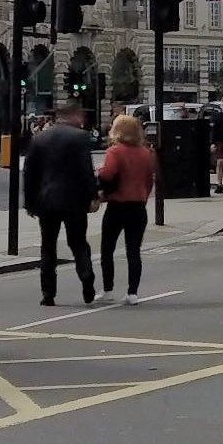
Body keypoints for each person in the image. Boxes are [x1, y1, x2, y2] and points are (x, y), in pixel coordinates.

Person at [23, 99, 99, 307]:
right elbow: (86, 170)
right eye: (81, 116)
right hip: (74, 201)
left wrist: (29, 202)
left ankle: (48, 293)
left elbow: (29, 173)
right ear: (74, 115)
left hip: (46, 201)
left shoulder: (41, 138)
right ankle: (86, 276)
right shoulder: (80, 138)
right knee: (78, 242)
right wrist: (94, 196)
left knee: (48, 247)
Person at [96, 113, 160, 304]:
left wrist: (98, 171)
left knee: (107, 249)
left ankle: (108, 289)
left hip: (117, 205)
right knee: (134, 250)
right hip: (138, 207)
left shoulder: (115, 151)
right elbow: (150, 181)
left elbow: (107, 175)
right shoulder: (146, 153)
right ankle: (133, 293)